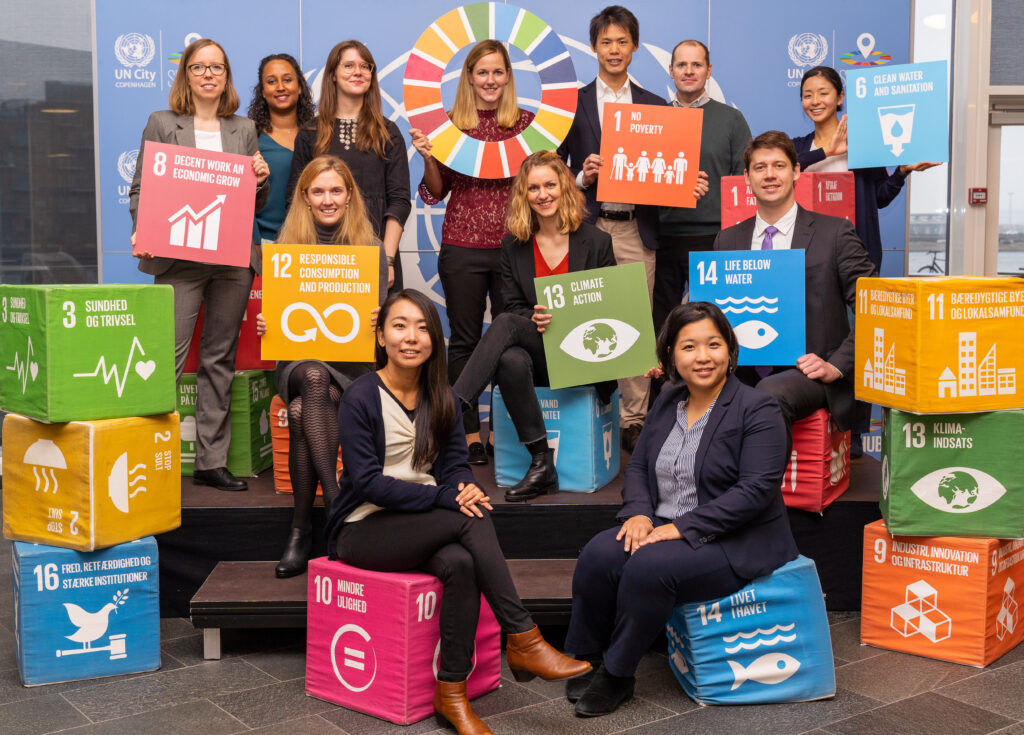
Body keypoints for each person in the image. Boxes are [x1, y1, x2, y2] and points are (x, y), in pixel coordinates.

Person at [324, 289, 591, 735]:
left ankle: (451, 693)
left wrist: (464, 487)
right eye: (400, 326)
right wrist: (448, 499)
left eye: (423, 327)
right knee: (468, 516)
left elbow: (454, 469)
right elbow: (367, 483)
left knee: (462, 561)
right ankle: (523, 637)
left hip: (419, 522)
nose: (412, 337)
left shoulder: (442, 396)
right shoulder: (361, 396)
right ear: (381, 337)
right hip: (364, 526)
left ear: (435, 339)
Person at [564, 301, 798, 717]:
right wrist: (639, 513)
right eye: (689, 347)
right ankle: (587, 658)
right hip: (662, 524)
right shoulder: (669, 400)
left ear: (730, 350)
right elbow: (639, 465)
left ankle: (618, 675)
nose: (703, 357)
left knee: (648, 568)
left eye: (713, 344)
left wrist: (682, 527)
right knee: (599, 554)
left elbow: (756, 490)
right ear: (671, 354)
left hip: (734, 539)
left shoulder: (758, 408)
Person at [129, 38, 269, 492]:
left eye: (217, 67)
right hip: (179, 260)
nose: (208, 74)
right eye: (199, 67)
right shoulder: (161, 122)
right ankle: (151, 461)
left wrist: (260, 181)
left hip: (231, 260)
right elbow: (141, 187)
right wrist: (142, 229)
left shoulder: (244, 129)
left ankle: (211, 461)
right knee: (165, 359)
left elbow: (253, 203)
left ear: (227, 76)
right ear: (185, 75)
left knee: (218, 360)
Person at [792, 65, 939, 456]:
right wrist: (828, 152)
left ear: (840, 97)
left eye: (823, 92)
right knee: (816, 343)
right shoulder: (798, 148)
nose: (815, 101)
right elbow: (786, 171)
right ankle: (814, 422)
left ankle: (854, 431)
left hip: (856, 258)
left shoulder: (865, 145)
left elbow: (879, 198)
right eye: (807, 94)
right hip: (808, 262)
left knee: (858, 345)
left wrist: (902, 171)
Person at [452, 151, 615, 502]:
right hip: (541, 354)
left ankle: (451, 408)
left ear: (565, 188)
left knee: (506, 324)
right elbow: (513, 306)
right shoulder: (513, 246)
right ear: (523, 195)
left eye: (550, 185)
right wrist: (533, 318)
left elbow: (611, 310)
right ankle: (542, 462)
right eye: (533, 188)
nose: (543, 194)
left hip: (584, 355)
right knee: (510, 358)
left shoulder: (597, 242)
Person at [255, 155, 388, 577]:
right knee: (312, 377)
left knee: (300, 413)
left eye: (335, 191)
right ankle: (335, 506)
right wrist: (267, 323)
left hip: (350, 367)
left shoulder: (372, 250)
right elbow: (281, 320)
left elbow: (388, 328)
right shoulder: (286, 249)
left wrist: (381, 320)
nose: (327, 199)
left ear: (349, 197)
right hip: (298, 363)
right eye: (318, 192)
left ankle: (300, 529)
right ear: (305, 198)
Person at [409, 40, 535, 465]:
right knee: (464, 341)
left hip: (515, 248)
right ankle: (468, 435)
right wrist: (429, 158)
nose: (490, 80)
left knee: (509, 345)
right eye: (482, 72)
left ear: (508, 77)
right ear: (469, 77)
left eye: (498, 72)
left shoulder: (528, 125)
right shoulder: (450, 126)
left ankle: (501, 432)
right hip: (462, 247)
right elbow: (435, 191)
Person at [714, 131, 877, 437]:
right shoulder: (728, 240)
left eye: (779, 165)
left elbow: (875, 310)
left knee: (768, 395)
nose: (770, 175)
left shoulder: (835, 233)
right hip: (741, 367)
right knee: (675, 387)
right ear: (747, 178)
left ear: (796, 171)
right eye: (760, 167)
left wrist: (835, 365)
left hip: (809, 371)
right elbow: (712, 314)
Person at [555, 6, 667, 452]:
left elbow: (667, 171)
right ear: (593, 47)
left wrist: (684, 184)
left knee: (634, 324)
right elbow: (551, 170)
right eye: (606, 42)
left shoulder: (656, 106)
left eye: (622, 41)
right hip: (587, 225)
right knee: (582, 319)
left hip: (637, 228)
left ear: (634, 46)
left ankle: (633, 419)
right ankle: (587, 414)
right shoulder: (572, 103)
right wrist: (581, 177)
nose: (614, 49)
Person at [288, 40, 410, 292]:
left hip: (375, 252)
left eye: (365, 66)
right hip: (319, 256)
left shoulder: (388, 133)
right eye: (349, 65)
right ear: (332, 74)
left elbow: (399, 201)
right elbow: (295, 199)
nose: (358, 72)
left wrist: (386, 260)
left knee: (376, 318)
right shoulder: (309, 133)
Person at [654, 40, 751, 333]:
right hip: (661, 238)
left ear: (708, 71)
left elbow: (743, 181)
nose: (688, 71)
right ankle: (662, 367)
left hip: (714, 239)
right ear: (671, 70)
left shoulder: (731, 119)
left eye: (696, 65)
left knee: (713, 322)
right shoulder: (653, 119)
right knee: (661, 324)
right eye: (682, 65)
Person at [248, 53, 315, 243]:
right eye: (271, 81)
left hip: (313, 243)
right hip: (266, 242)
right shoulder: (251, 138)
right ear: (262, 91)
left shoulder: (319, 135)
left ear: (300, 87)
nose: (280, 87)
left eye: (287, 80)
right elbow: (243, 199)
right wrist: (256, 244)